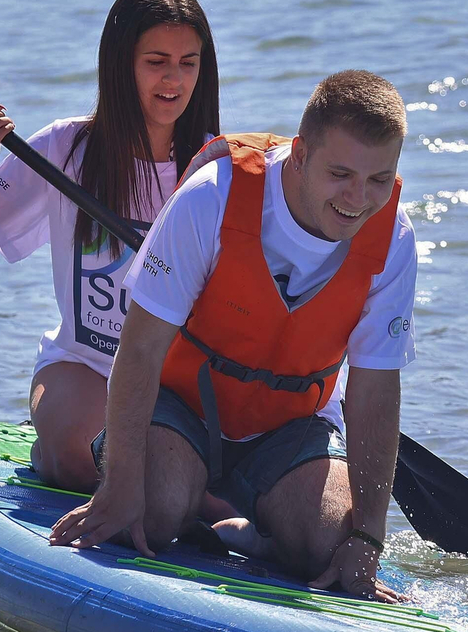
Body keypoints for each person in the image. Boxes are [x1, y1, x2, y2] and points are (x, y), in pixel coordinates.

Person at [50, 71, 417, 604]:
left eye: (379, 179)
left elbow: (376, 392)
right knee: (150, 515)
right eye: (340, 174)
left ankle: (250, 531)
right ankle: (160, 485)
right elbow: (140, 348)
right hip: (183, 407)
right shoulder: (211, 196)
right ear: (300, 153)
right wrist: (122, 482)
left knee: (329, 546)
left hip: (288, 425)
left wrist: (368, 537)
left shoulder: (394, 237)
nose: (358, 199)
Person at [0, 0, 219, 492]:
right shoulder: (64, 148)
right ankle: (50, 443)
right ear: (120, 64)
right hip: (83, 367)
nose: (174, 79)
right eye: (156, 61)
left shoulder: (216, 166)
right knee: (82, 459)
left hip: (174, 380)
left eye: (188, 63)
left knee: (174, 481)